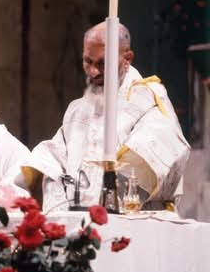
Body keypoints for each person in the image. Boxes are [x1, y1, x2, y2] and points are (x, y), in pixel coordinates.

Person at [27, 21, 190, 212]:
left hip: (135, 220)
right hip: (79, 222)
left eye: (102, 63)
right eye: (87, 61)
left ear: (127, 58)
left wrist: (104, 206)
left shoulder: (149, 98)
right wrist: (61, 211)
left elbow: (150, 163)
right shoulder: (77, 109)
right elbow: (52, 162)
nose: (93, 72)